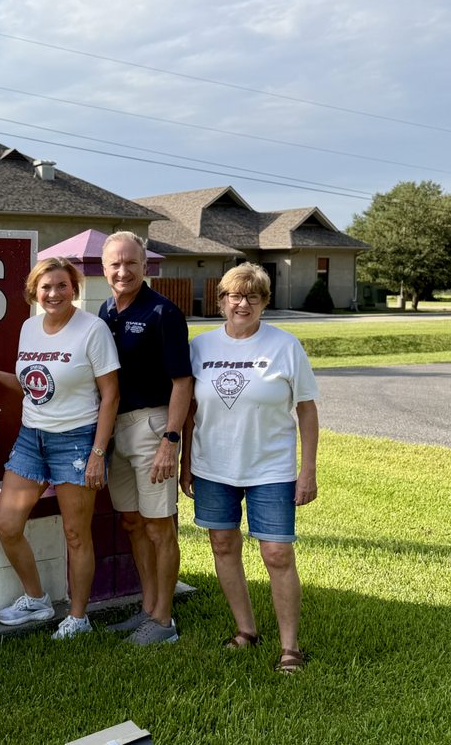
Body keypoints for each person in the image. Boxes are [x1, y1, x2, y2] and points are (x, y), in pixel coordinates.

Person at [0, 257, 119, 640]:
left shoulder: (92, 329)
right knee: (7, 525)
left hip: (76, 440)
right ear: (34, 291)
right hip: (32, 438)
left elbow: (111, 395)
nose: (53, 293)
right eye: (46, 287)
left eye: (61, 285)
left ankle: (78, 617)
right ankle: (37, 598)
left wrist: (97, 453)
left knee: (77, 536)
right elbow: (32, 385)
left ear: (74, 288)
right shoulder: (29, 327)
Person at [179, 262, 319, 674]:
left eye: (252, 296)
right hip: (212, 466)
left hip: (270, 467)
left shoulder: (285, 346)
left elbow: (307, 412)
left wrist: (307, 470)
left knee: (277, 552)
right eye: (234, 296)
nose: (242, 303)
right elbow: (189, 410)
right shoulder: (200, 347)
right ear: (221, 301)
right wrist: (187, 462)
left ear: (264, 302)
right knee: (223, 545)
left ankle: (290, 647)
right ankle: (246, 630)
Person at [97, 232, 193, 645]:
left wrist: (170, 440)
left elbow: (182, 381)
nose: (123, 270)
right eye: (115, 264)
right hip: (115, 427)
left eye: (130, 263)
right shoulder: (106, 310)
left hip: (152, 426)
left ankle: (165, 622)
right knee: (133, 523)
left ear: (145, 265)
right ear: (104, 269)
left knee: (159, 527)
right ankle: (147, 609)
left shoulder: (162, 312)